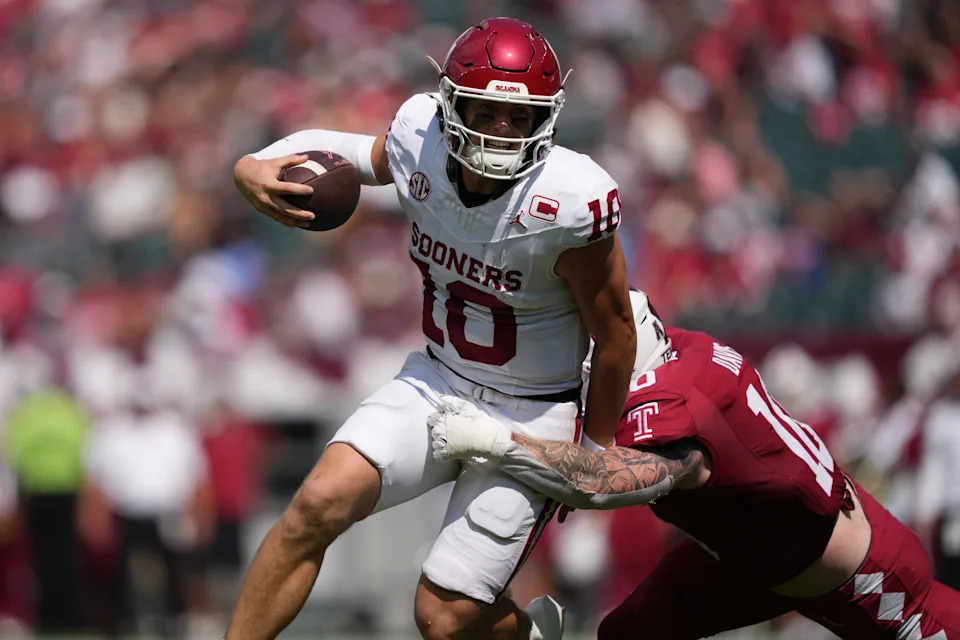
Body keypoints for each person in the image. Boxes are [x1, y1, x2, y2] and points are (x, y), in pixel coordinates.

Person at [229, 17, 636, 640]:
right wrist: (253, 164)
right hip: (437, 380)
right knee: (315, 506)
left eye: (519, 117)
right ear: (452, 104)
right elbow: (348, 152)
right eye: (487, 111)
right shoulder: (421, 137)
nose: (502, 131)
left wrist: (593, 456)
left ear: (545, 120)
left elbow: (615, 336)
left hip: (533, 414)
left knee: (443, 621)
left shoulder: (569, 201)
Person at [430, 290, 960, 639]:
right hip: (758, 553)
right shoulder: (683, 350)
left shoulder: (673, 412)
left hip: (868, 579)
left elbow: (595, 481)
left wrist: (495, 439)